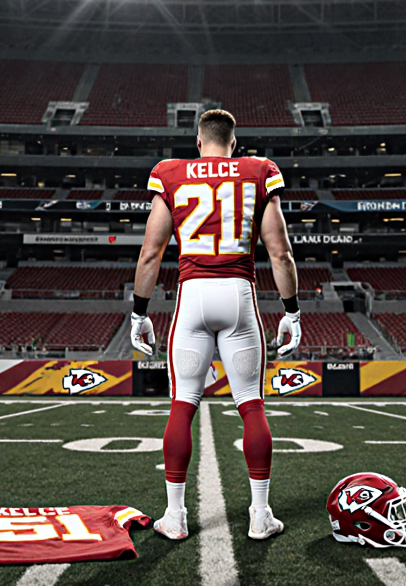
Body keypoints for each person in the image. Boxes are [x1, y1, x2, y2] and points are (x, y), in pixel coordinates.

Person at [129, 108, 301, 542]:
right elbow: (280, 253)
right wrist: (292, 311)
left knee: (182, 405)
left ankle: (175, 516)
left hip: (193, 296)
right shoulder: (258, 171)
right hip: (239, 296)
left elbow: (151, 253)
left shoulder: (171, 173)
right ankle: (260, 515)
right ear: (234, 143)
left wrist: (139, 312)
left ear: (199, 143)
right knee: (251, 405)